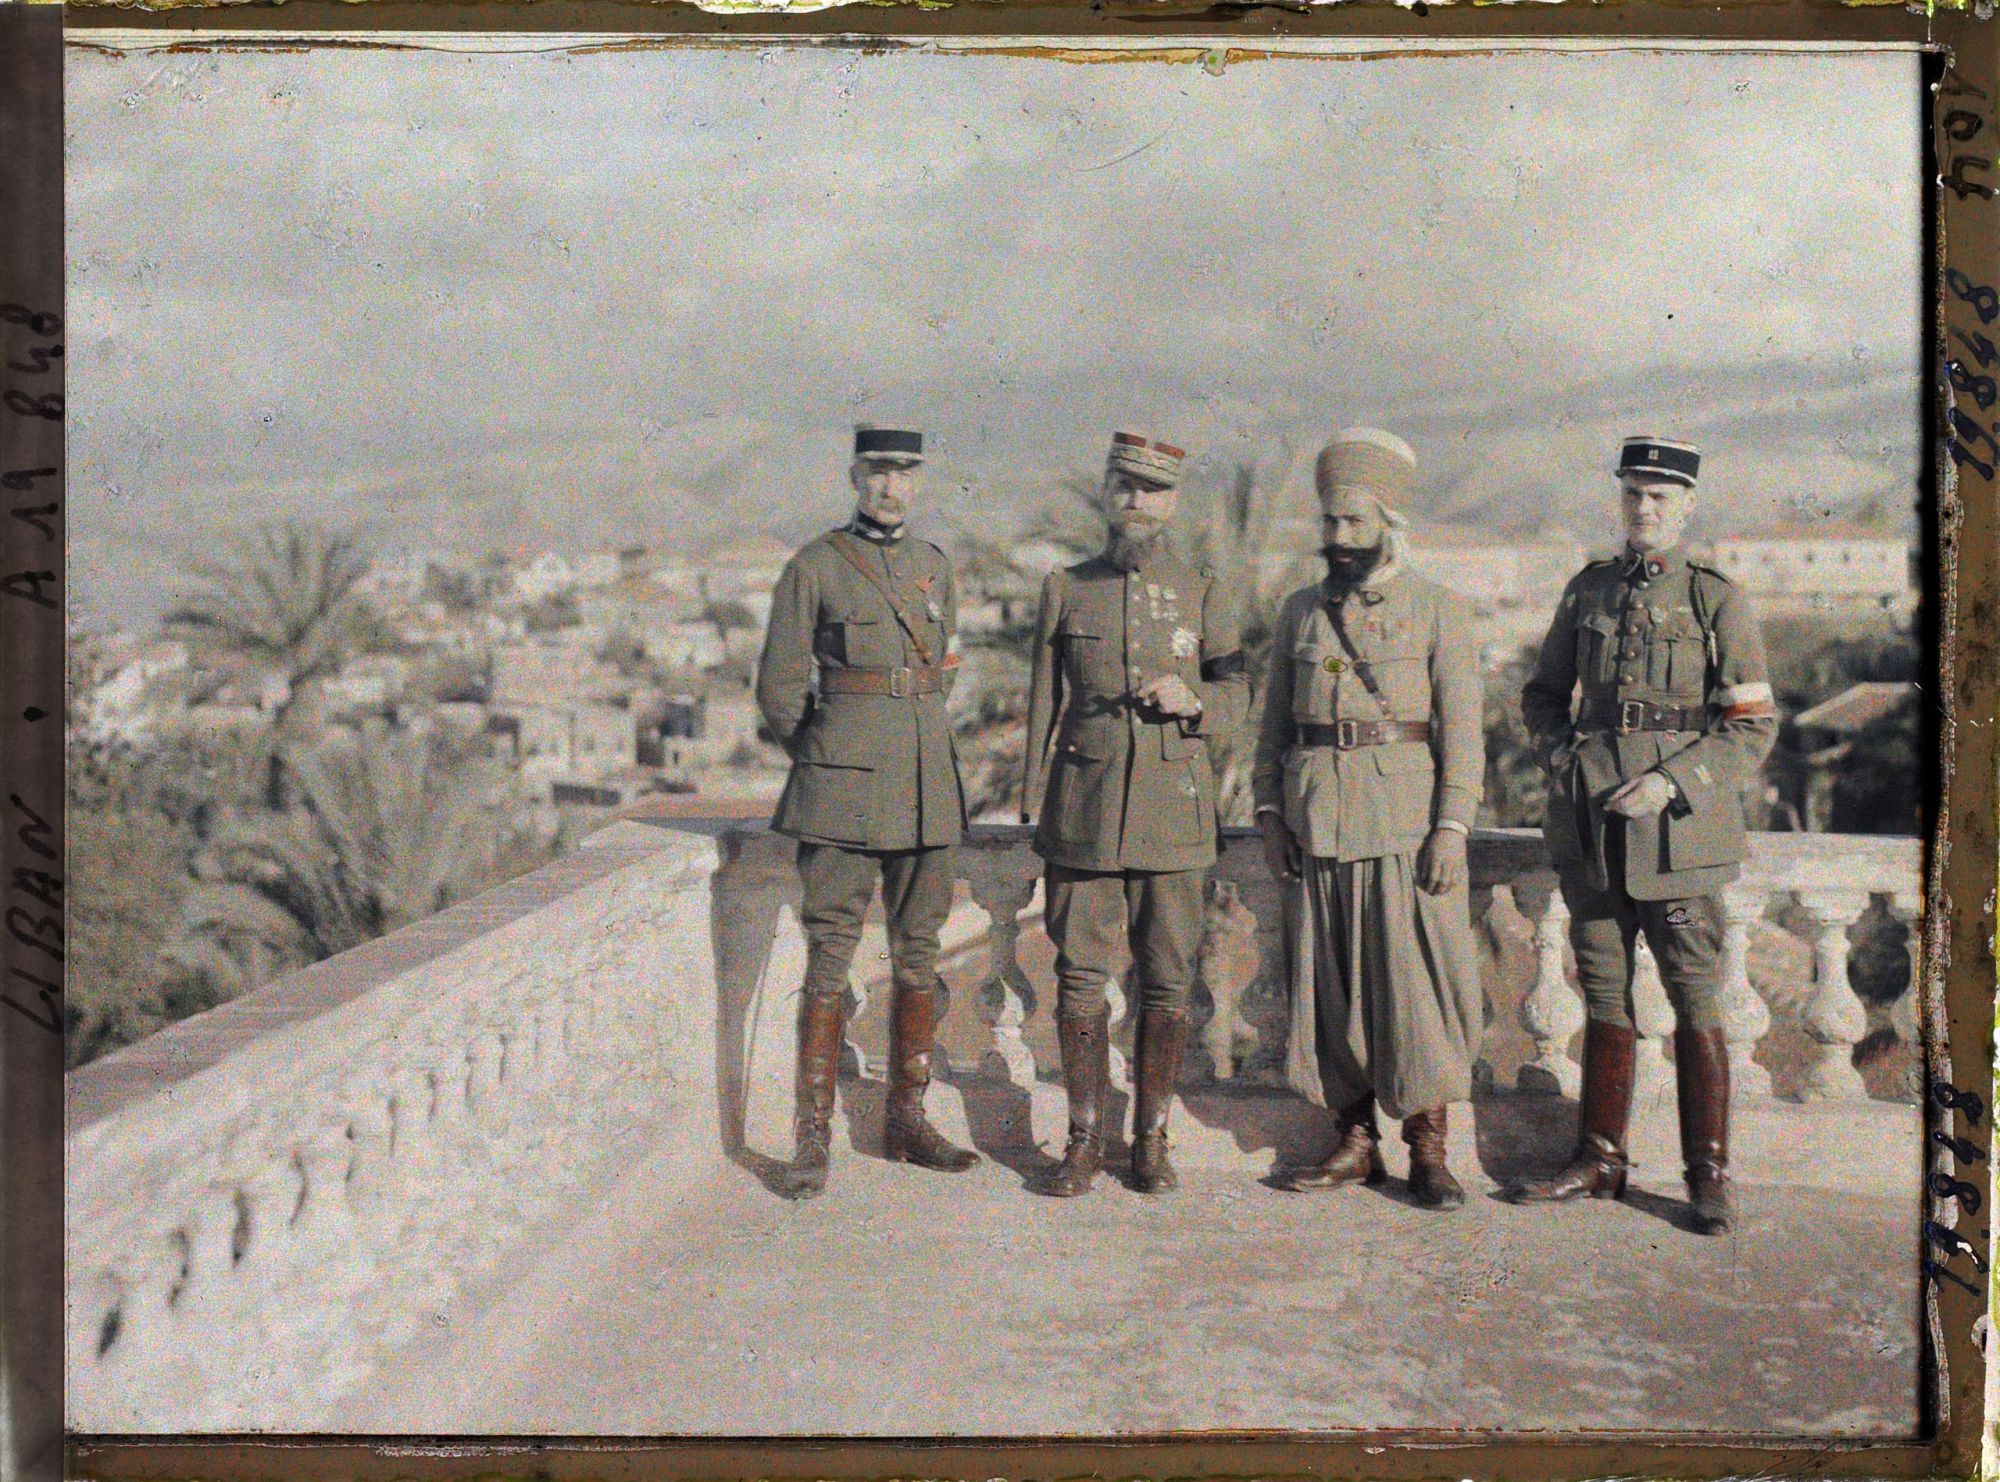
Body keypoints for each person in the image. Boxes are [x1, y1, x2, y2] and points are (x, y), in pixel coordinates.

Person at [1507, 435, 1777, 1235]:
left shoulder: (1715, 598)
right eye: (1633, 493)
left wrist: (1670, 782)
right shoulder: (1588, 589)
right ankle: (1599, 1158)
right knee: (1601, 989)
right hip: (1592, 830)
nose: (1644, 508)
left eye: (1660, 496)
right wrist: (1565, 759)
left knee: (1695, 996)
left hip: (1679, 839)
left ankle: (1708, 1174)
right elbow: (1542, 695)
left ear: (1687, 506)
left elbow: (1752, 725)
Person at [1253, 428, 1485, 1209]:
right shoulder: (1299, 613)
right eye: (1330, 521)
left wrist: (1452, 827)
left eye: (1354, 521)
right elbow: (1272, 728)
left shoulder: (1439, 609)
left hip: (1405, 829)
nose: (1339, 535)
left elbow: (1464, 734)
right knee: (1330, 988)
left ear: (1390, 523)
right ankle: (1354, 1142)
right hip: (1317, 823)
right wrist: (1269, 812)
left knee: (1415, 992)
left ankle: (1428, 1149)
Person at [1020, 432, 1250, 1196]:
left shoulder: (1201, 590)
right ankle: (1083, 1139)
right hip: (1083, 811)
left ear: (1172, 501)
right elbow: (1042, 701)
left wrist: (1195, 699)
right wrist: (1032, 802)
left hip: (1173, 812)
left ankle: (1151, 1139)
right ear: (1107, 492)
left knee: (1167, 980)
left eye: (1152, 490)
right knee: (1079, 978)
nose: (1137, 502)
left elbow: (1239, 693)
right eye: (1124, 486)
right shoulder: (1067, 587)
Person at [755, 424, 979, 1200]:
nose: (890, 487)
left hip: (926, 785)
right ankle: (812, 1137)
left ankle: (907, 1121)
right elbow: (780, 691)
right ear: (854, 477)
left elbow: (944, 673)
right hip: (842, 789)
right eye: (877, 472)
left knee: (920, 952)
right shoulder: (816, 567)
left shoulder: (934, 567)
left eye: (904, 473)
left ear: (918, 482)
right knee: (830, 955)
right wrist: (828, 760)